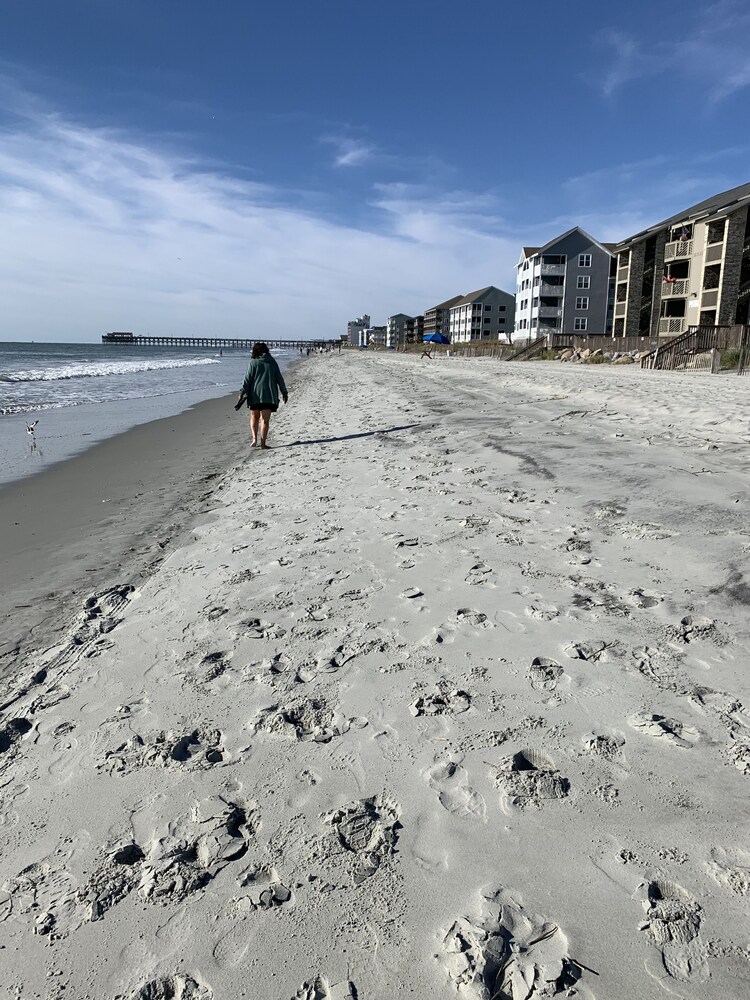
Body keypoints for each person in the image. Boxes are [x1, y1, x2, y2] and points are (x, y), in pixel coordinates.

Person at [236, 342, 288, 449]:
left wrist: (242, 392)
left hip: (255, 395)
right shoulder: (272, 361)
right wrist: (284, 392)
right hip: (269, 395)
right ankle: (263, 444)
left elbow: (247, 379)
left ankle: (254, 439)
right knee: (265, 420)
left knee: (254, 417)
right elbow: (279, 378)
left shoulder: (253, 362)